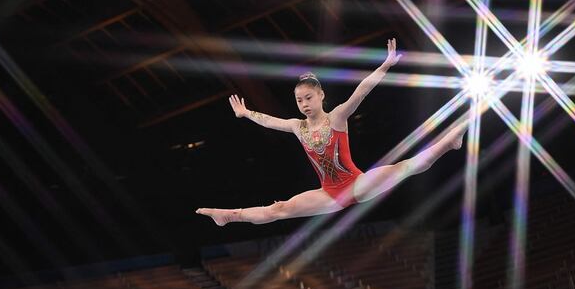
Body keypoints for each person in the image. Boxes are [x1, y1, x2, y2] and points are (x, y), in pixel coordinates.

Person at [196, 38, 467, 226]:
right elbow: (269, 121)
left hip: (356, 184)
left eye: (309, 98)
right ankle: (229, 215)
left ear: (321, 96)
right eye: (299, 100)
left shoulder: (337, 117)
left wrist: (385, 66)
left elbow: (362, 91)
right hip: (328, 194)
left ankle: (449, 141)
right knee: (279, 209)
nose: (304, 104)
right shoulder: (297, 126)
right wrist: (246, 114)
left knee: (405, 167)